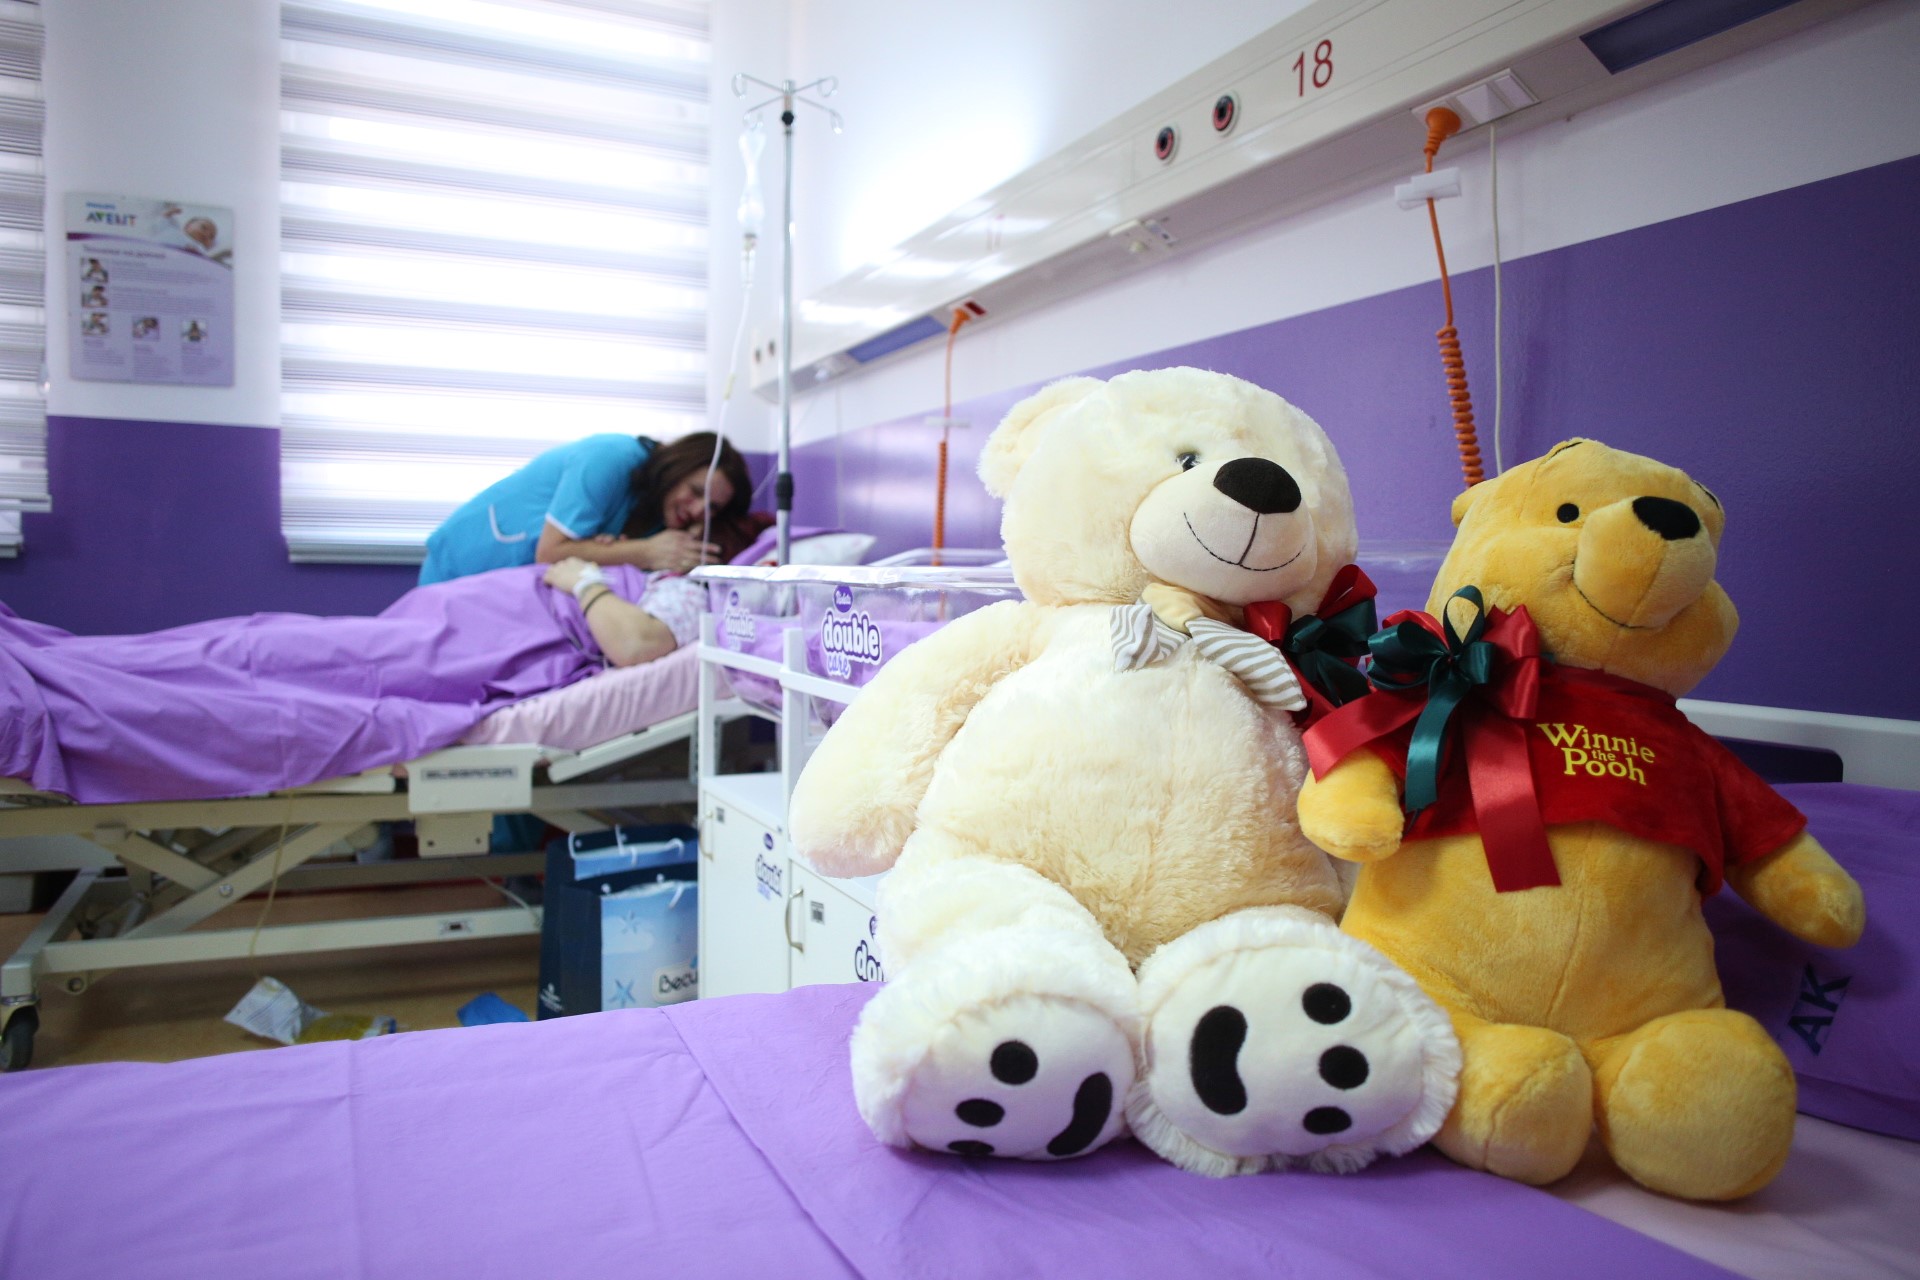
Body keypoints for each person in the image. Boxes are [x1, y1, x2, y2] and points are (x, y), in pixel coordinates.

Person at [418, 432, 751, 586]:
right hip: (463, 561)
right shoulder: (609, 458)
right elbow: (550, 552)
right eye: (695, 492)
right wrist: (643, 552)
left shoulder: (661, 523)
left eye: (712, 508)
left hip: (510, 594)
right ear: (676, 466)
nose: (697, 509)